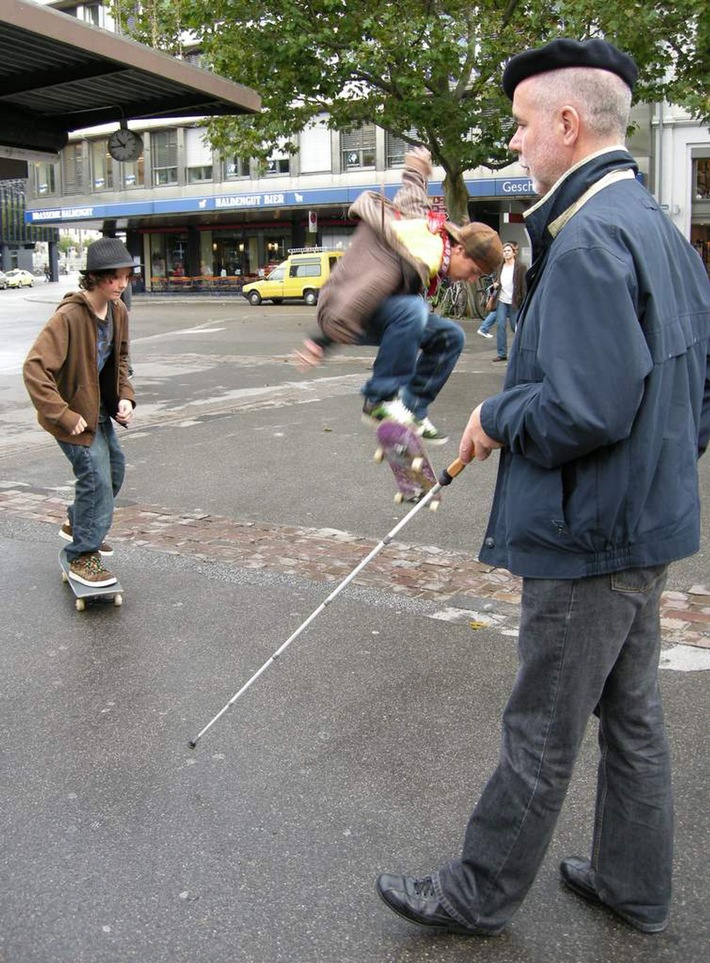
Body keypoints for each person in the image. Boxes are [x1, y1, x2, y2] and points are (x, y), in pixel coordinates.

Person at [376, 37, 710, 937]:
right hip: (645, 523)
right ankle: (633, 885)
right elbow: (694, 389)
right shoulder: (661, 231)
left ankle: (476, 894)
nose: (515, 142)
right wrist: (660, 473)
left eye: (523, 126)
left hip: (590, 533)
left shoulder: (593, 236)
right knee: (632, 716)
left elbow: (584, 408)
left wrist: (500, 418)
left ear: (568, 123)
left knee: (542, 726)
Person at [295, 147, 502, 444]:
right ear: (458, 249)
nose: (470, 279)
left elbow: (412, 197)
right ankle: (379, 400)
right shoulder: (397, 263)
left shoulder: (426, 234)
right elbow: (359, 298)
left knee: (450, 337)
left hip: (380, 310)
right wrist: (321, 341)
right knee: (412, 309)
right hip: (344, 308)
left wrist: (418, 168)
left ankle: (412, 408)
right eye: (473, 270)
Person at [23, 237, 136, 588]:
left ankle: (79, 520)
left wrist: (125, 397)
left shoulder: (118, 312)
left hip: (98, 413)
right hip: (71, 420)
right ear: (95, 277)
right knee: (96, 480)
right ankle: (82, 555)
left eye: (126, 277)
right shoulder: (69, 316)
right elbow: (34, 369)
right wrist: (64, 415)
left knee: (114, 472)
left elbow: (120, 360)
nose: (121, 284)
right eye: (113, 277)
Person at [476, 242, 527, 360]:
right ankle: (501, 354)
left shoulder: (521, 267)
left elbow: (524, 286)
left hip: (515, 301)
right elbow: (497, 281)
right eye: (504, 251)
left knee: (516, 328)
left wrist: (524, 302)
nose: (506, 253)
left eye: (509, 251)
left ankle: (522, 352)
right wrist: (495, 285)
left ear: (514, 253)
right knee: (500, 325)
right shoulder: (500, 266)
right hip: (501, 300)